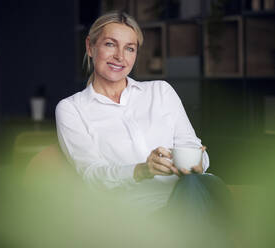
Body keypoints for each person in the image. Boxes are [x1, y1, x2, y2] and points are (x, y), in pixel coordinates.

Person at [55, 11, 231, 219]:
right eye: (110, 44)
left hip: (195, 192)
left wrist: (198, 161)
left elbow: (193, 147)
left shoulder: (161, 91)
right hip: (140, 215)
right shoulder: (72, 109)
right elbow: (93, 175)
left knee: (197, 184)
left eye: (130, 48)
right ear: (90, 47)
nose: (120, 56)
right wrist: (141, 170)